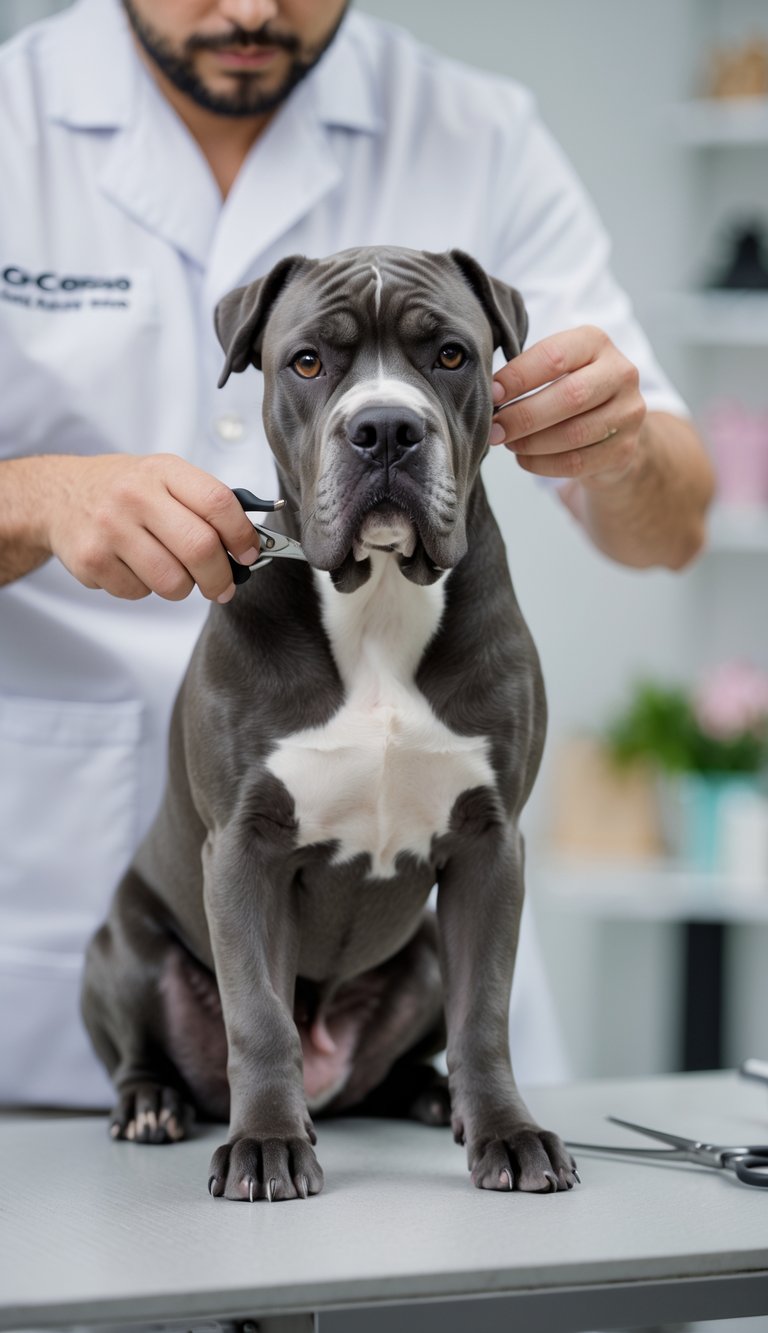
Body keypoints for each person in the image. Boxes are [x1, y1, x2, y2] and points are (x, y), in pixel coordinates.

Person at [0, 0, 714, 1109]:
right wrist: (33, 497)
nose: (248, 9)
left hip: (399, 1003)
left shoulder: (480, 128)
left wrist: (620, 447)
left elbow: (675, 527)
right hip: (71, 924)